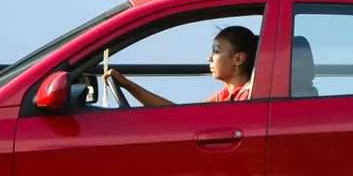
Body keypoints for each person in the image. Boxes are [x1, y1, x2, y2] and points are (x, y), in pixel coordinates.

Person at [103, 25, 257, 108]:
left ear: (238, 59)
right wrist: (128, 85)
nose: (209, 58)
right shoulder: (225, 96)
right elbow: (177, 112)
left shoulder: (247, 99)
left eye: (216, 51)